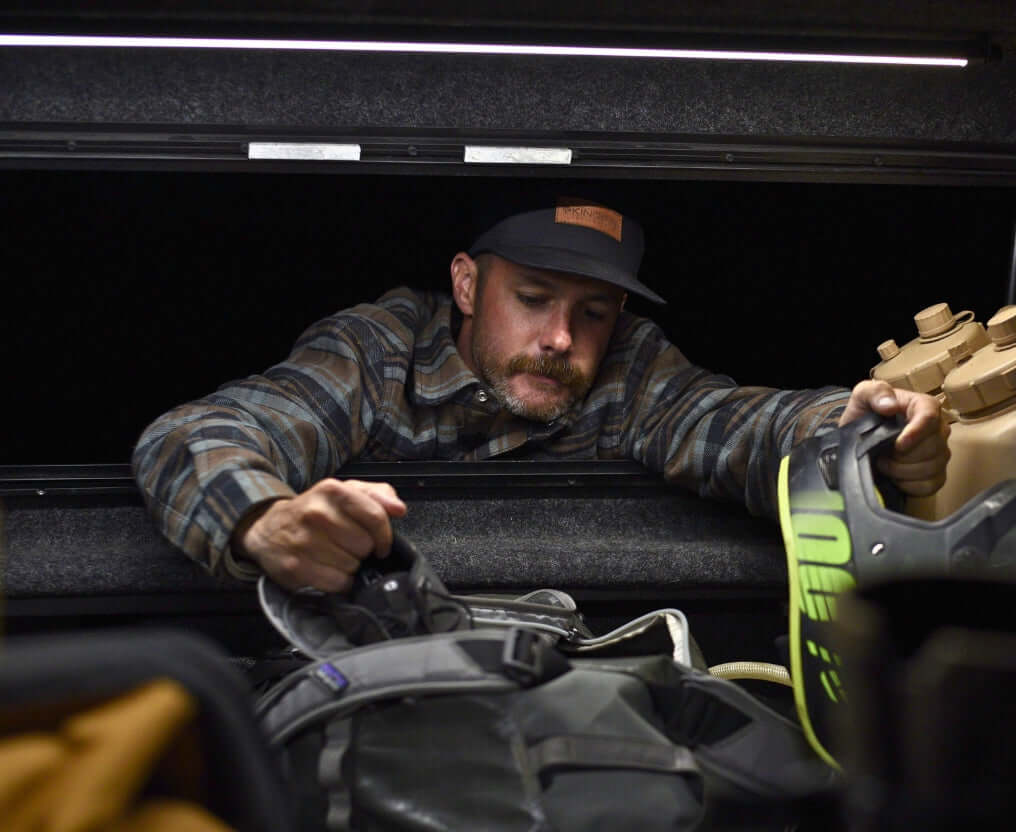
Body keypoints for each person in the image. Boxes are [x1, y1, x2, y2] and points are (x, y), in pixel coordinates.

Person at [133, 197, 948, 592]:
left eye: (593, 312)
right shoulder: (376, 348)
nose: (563, 338)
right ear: (464, 284)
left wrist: (844, 429)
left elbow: (729, 421)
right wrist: (261, 521)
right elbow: (196, 433)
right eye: (532, 299)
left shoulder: (627, 367)